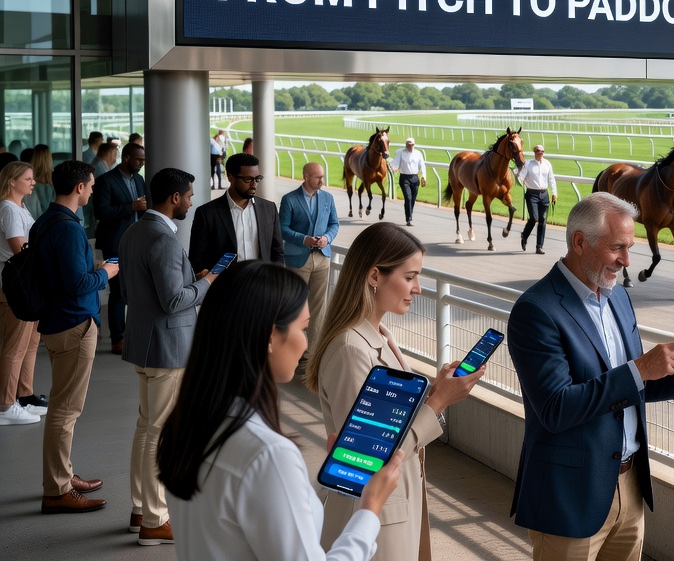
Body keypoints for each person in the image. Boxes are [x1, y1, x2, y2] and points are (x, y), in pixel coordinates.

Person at [506, 192, 674, 561]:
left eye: (630, 247)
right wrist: (639, 369)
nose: (626, 261)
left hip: (629, 485)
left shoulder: (618, 298)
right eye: (617, 248)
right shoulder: (535, 311)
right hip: (569, 496)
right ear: (579, 242)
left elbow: (629, 387)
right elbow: (557, 407)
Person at [159, 261, 406, 560]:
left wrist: (314, 482)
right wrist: (370, 509)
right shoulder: (269, 454)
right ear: (269, 337)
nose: (306, 343)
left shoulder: (187, 425)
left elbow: (253, 516)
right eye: (303, 328)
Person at [306, 222, 481, 561]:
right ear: (374, 276)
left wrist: (433, 390)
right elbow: (366, 453)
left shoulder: (379, 334)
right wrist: (440, 401)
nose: (418, 288)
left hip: (392, 505)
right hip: (372, 514)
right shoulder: (350, 349)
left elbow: (388, 417)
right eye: (410, 276)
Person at [119, 167, 215, 545]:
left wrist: (194, 279)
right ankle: (154, 520)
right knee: (160, 434)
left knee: (146, 428)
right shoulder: (165, 240)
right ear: (174, 198)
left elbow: (133, 290)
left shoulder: (133, 232)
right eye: (189, 195)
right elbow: (174, 301)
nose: (191, 201)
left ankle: (141, 509)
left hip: (143, 342)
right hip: (168, 349)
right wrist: (207, 283)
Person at [36, 160, 119, 513]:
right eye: (90, 184)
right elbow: (77, 284)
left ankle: (63, 475)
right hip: (73, 324)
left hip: (58, 322)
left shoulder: (46, 220)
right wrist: (106, 272)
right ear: (80, 188)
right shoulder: (68, 229)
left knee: (62, 407)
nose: (93, 189)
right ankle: (57, 489)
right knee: (65, 411)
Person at [0, 161, 46, 425]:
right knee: (15, 347)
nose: (33, 182)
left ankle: (23, 395)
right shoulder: (7, 208)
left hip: (27, 285)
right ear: (12, 181)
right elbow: (20, 248)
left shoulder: (19, 206)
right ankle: (6, 404)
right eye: (28, 178)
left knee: (29, 344)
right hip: (15, 286)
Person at [280, 162, 340, 358]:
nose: (322, 181)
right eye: (318, 177)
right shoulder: (289, 200)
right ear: (306, 177)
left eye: (322, 177)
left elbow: (334, 224)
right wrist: (303, 239)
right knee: (295, 306)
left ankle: (314, 353)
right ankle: (292, 349)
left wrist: (327, 238)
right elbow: (283, 229)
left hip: (322, 259)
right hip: (298, 259)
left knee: (318, 307)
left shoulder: (328, 198)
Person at [93, 143, 147, 354]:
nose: (141, 164)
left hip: (137, 242)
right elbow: (101, 212)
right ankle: (118, 339)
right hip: (115, 243)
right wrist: (131, 207)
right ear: (126, 158)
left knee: (136, 290)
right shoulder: (106, 181)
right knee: (118, 291)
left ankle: (134, 335)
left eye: (143, 160)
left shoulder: (140, 180)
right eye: (138, 160)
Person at [189, 153, 284, 273]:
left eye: (257, 179)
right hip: (225, 288)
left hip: (262, 285)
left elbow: (277, 252)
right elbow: (197, 257)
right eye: (248, 179)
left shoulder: (269, 208)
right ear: (230, 177)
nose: (254, 184)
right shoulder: (207, 213)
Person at [517, 144, 557, 255]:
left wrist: (554, 193)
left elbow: (551, 179)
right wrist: (518, 175)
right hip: (532, 194)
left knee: (543, 220)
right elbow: (521, 177)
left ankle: (539, 246)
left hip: (544, 194)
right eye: (538, 151)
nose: (540, 153)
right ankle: (524, 235)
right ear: (534, 152)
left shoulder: (547, 164)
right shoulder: (528, 164)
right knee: (534, 218)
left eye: (542, 151)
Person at [388, 138, 426, 227]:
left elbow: (422, 166)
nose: (410, 146)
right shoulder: (400, 152)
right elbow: (395, 163)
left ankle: (409, 215)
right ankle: (409, 218)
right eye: (408, 145)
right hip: (404, 178)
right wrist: (392, 168)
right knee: (408, 197)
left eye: (412, 145)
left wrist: (424, 176)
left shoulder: (418, 153)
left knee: (412, 199)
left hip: (415, 178)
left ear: (414, 145)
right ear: (406, 144)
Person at [22, 144, 54, 220]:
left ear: (34, 157)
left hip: (34, 223)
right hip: (51, 223)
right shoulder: (56, 180)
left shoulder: (27, 179)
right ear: (50, 158)